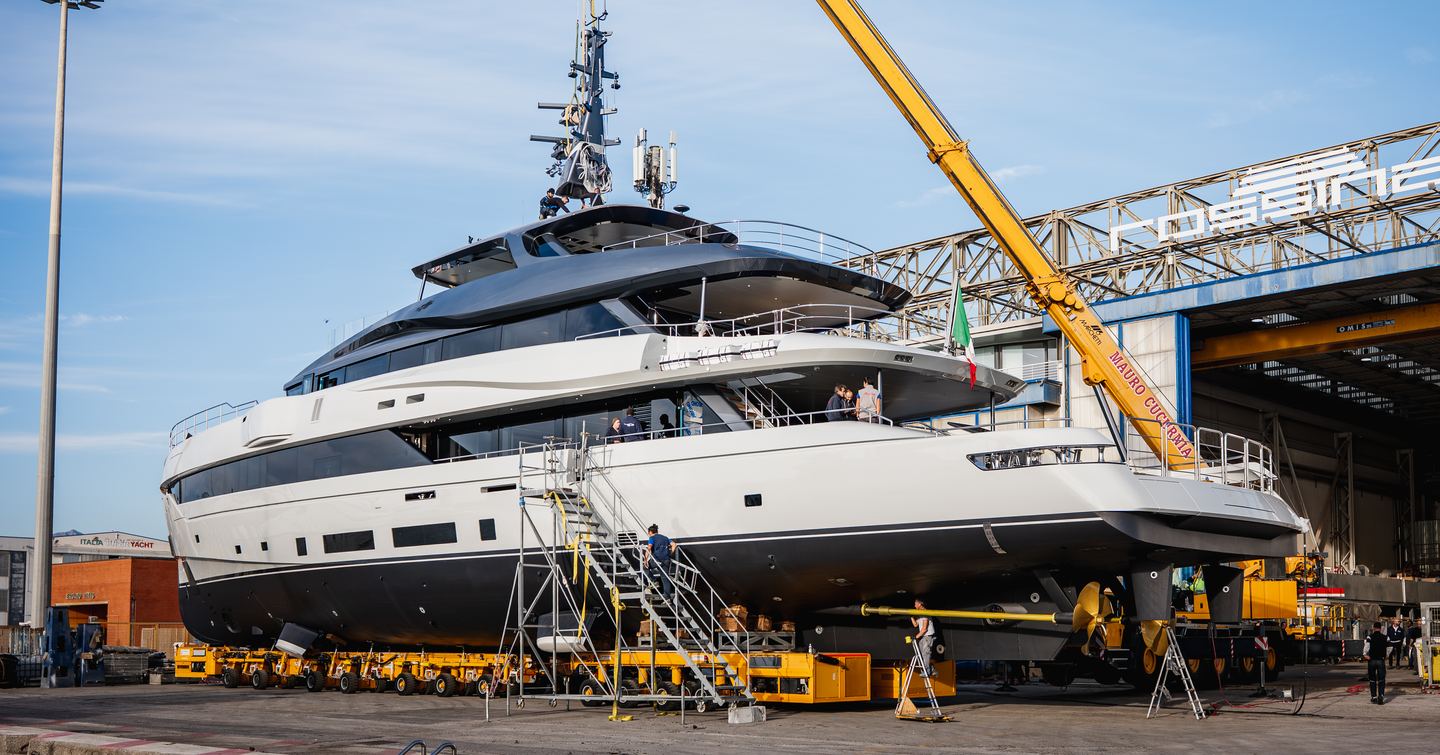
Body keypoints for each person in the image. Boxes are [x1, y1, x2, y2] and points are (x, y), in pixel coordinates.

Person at [644, 524, 676, 600]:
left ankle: (654, 581)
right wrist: (671, 553)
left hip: (657, 560)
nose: (648, 534)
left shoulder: (652, 538)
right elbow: (674, 544)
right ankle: (667, 598)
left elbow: (649, 548)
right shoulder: (665, 538)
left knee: (644, 567)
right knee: (665, 578)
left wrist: (645, 559)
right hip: (666, 560)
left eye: (648, 532)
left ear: (650, 532)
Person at [911, 598, 937, 678]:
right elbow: (915, 625)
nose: (914, 605)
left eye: (915, 604)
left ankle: (927, 671)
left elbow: (924, 629)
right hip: (923, 637)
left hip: (927, 637)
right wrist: (911, 617)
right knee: (923, 655)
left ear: (920, 604)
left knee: (926, 654)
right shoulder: (920, 614)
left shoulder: (925, 613)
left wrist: (916, 637)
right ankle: (931, 669)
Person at [1365, 621, 1389, 704]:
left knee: (1372, 679)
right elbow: (1390, 647)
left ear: (1373, 628)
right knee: (1381, 679)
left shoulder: (1370, 637)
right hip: (1381, 660)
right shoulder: (1385, 637)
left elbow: (1367, 647)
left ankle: (1374, 697)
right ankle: (1381, 696)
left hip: (1371, 660)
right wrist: (1386, 655)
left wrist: (1365, 655)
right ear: (1381, 628)